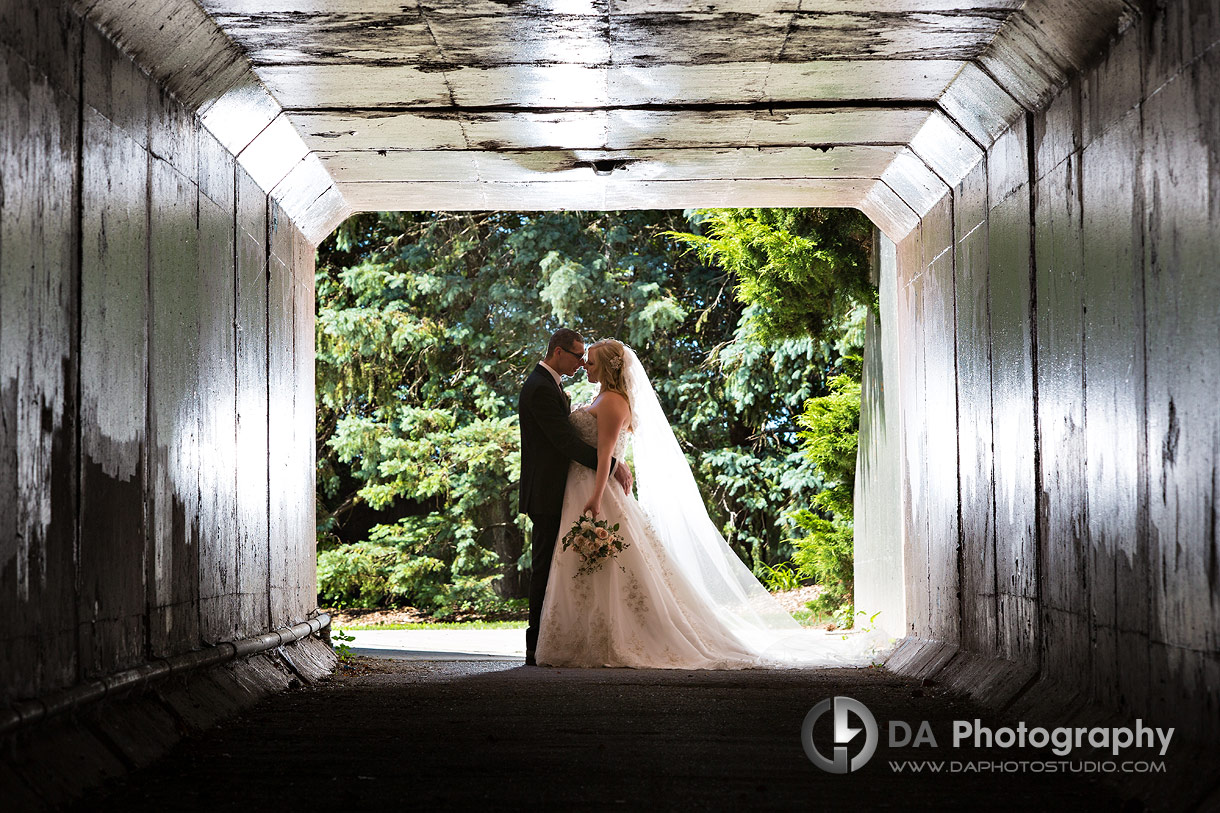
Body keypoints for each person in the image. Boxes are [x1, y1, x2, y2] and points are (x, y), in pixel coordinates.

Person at [533, 338, 886, 669]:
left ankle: (612, 640)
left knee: (613, 567)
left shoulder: (611, 402)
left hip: (597, 493)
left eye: (590, 361)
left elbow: (606, 453)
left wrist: (595, 497)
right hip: (578, 489)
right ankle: (586, 639)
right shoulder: (601, 397)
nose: (585, 366)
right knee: (592, 568)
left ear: (608, 367)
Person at [518, 328, 631, 667]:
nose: (582, 362)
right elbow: (563, 443)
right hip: (550, 491)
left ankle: (556, 641)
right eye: (578, 355)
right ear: (557, 352)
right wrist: (612, 465)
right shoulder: (540, 387)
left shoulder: (552, 384)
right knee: (545, 567)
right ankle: (536, 644)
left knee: (563, 567)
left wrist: (611, 462)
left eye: (588, 357)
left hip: (568, 490)